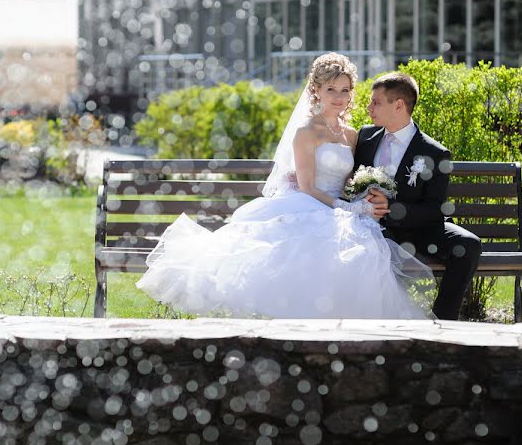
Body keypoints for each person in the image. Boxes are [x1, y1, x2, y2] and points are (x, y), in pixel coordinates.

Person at [135, 53, 435, 319]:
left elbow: (349, 181)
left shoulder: (352, 134)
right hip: (309, 202)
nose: (339, 96)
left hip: (340, 209)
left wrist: (362, 199)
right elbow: (306, 186)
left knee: (363, 250)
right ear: (316, 90)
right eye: (331, 89)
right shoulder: (306, 131)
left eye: (345, 90)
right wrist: (347, 207)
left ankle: (342, 329)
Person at [355, 71, 482, 320]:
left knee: (468, 245)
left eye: (376, 102)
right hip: (371, 229)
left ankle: (442, 321)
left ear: (399, 105)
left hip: (420, 229)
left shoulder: (434, 152)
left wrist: (390, 208)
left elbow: (435, 209)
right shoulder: (365, 138)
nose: (369, 107)